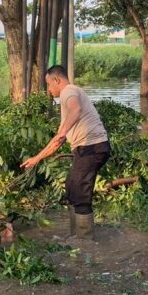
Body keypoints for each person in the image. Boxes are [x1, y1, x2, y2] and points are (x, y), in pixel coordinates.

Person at [22, 65, 110, 240]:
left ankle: (85, 241)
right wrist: (36, 159)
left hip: (92, 147)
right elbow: (57, 140)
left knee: (79, 192)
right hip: (86, 149)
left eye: (49, 85)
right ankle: (75, 235)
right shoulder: (67, 102)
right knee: (71, 186)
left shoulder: (68, 91)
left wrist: (62, 133)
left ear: (57, 80)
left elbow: (76, 110)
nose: (49, 90)